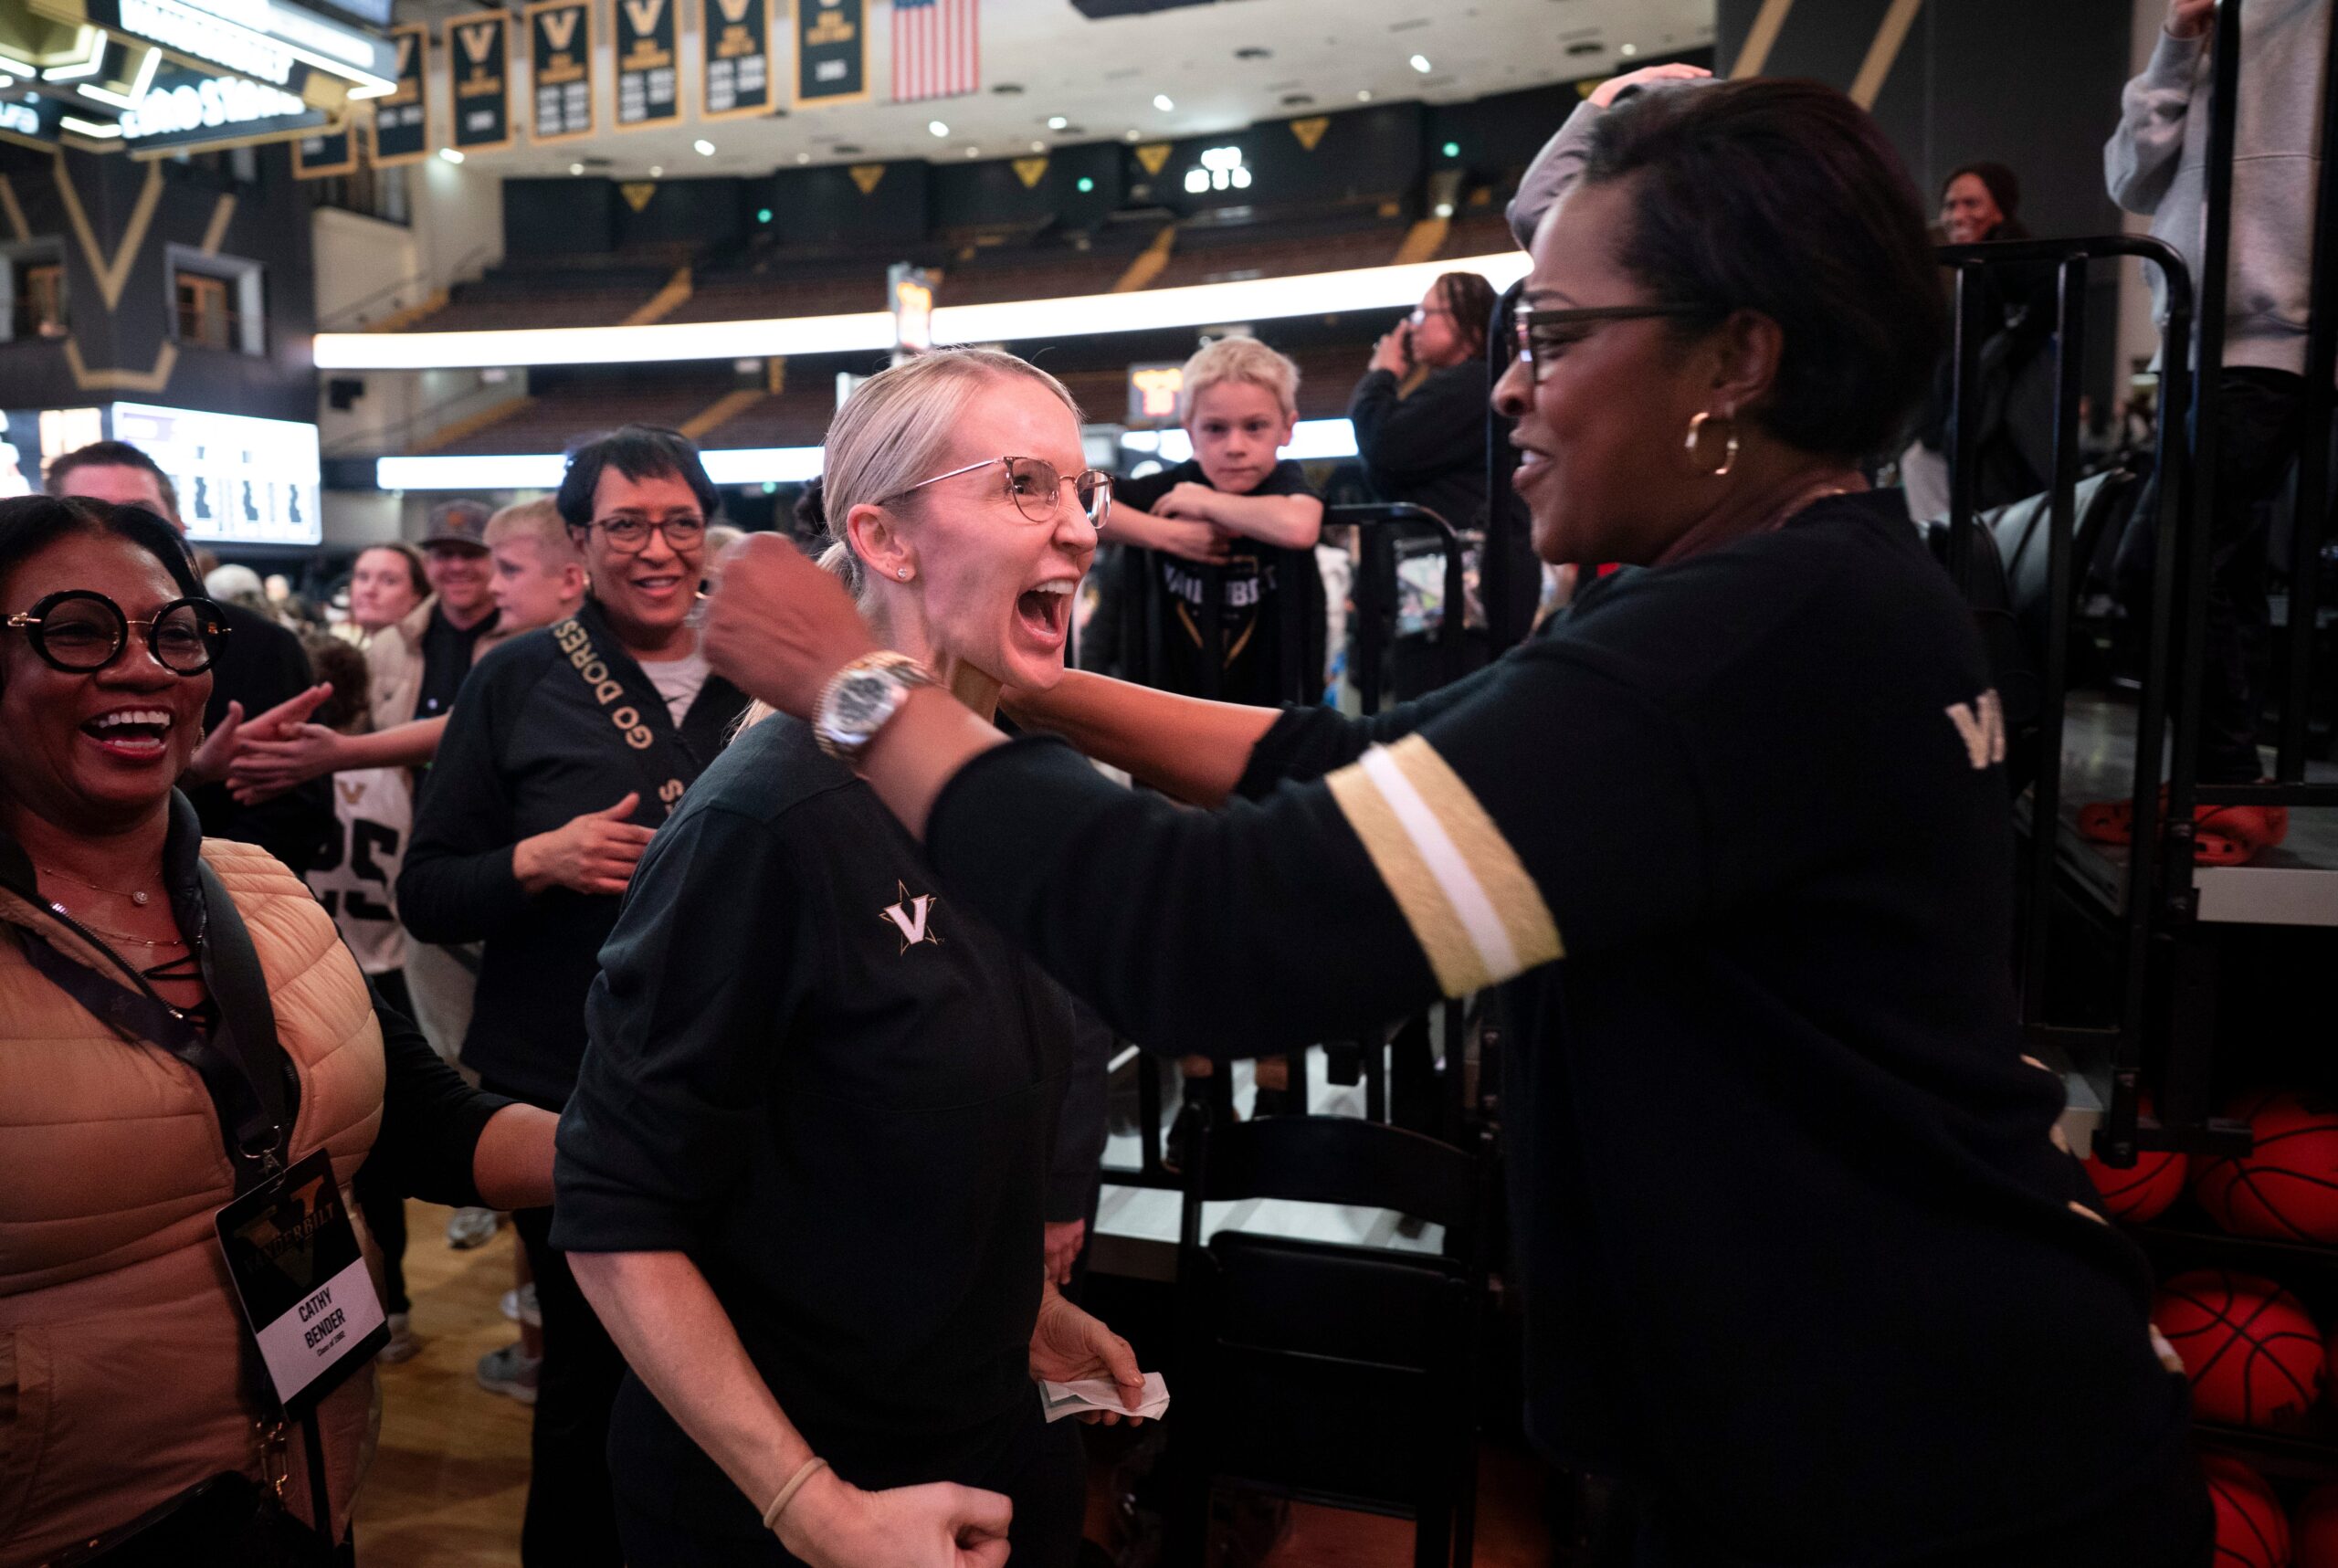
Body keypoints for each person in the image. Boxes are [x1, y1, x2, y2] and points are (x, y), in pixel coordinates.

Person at [700, 79, 2210, 1567]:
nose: (1501, 388)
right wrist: (1038, 700)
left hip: (1927, 1479)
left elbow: (1217, 936)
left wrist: (859, 686)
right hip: (1881, 1437)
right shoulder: (1813, 589)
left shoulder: (1747, 642)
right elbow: (1362, 761)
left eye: (1550, 337)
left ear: (1737, 358)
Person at [555, 351, 1143, 1568]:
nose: (1080, 530)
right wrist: (811, 1506)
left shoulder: (1004, 788)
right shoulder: (766, 818)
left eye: (1084, 491)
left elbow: (897, 1144)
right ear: (885, 536)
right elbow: (616, 1211)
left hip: (980, 1440)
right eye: (1027, 485)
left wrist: (1024, 1311)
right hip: (799, 1500)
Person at [0, 494, 556, 1568]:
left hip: (304, 1496)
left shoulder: (260, 894)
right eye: (75, 630)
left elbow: (425, 1121)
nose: (142, 668)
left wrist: (663, 1146)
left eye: (172, 632)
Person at [398, 424, 749, 1568]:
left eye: (679, 521)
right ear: (579, 541)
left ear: (709, 528)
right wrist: (533, 861)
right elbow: (428, 892)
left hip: (755, 1090)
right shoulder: (515, 677)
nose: (656, 549)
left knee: (753, 1381)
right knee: (593, 1385)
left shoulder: (769, 669)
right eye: (626, 525)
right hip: (574, 1093)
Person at [2089, 0, 2327, 859]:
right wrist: (2178, 43)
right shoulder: (2215, 21)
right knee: (2211, 571)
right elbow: (2129, 180)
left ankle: (2225, 781)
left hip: (2279, 337)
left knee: (2162, 565)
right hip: (2194, 337)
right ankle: (2214, 785)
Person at [47, 439, 335, 878]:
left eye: (139, 516)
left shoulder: (261, 645)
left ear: (177, 527)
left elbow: (292, 819)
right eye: (86, 512)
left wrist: (192, 901)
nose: (142, 668)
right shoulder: (18, 639)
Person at [1106, 337, 1327, 706]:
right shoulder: (1175, 485)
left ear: (1287, 429)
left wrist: (1208, 502)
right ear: (1190, 430)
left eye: (1255, 426)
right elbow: (1077, 504)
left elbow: (1299, 526)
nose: (1235, 446)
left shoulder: (1285, 479)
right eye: (1215, 429)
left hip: (1277, 706)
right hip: (1177, 702)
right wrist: (1166, 535)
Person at [1348, 271, 1539, 686]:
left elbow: (1384, 446)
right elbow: (1387, 470)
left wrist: (1381, 375)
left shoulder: (1471, 381)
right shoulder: (1472, 382)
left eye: (1423, 314)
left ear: (1460, 320)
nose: (1412, 326)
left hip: (1458, 589)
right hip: (1449, 583)